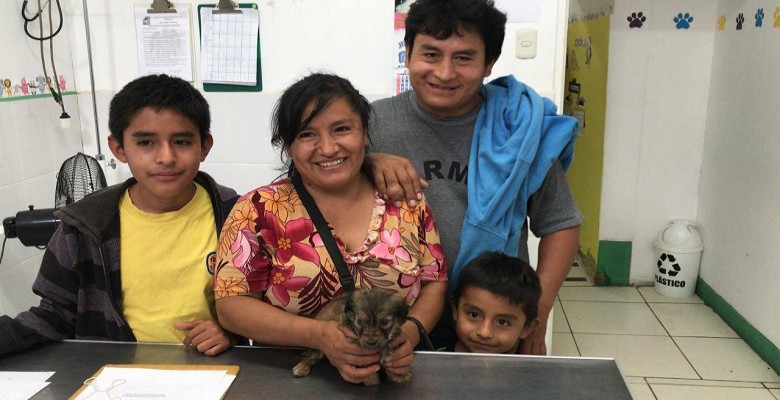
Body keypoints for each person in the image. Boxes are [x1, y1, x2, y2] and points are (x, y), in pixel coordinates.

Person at [369, 0, 582, 355]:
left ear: (489, 63)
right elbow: (314, 183)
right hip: (391, 324)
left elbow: (561, 224)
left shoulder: (520, 131)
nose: (445, 72)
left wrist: (536, 314)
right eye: (431, 54)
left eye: (464, 58)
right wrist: (369, 160)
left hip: (491, 328)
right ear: (407, 54)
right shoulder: (371, 124)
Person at [214, 73, 447, 384]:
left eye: (342, 129)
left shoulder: (405, 202)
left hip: (389, 380)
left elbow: (435, 281)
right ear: (288, 145)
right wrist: (319, 335)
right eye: (307, 134)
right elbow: (231, 305)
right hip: (288, 381)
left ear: (365, 133)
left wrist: (406, 336)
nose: (327, 148)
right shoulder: (257, 209)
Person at [0, 74, 239, 357]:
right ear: (119, 148)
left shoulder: (235, 215)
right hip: (114, 379)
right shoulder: (85, 224)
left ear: (205, 146)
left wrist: (232, 329)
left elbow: (265, 300)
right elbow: (55, 314)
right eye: (146, 143)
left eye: (182, 142)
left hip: (215, 374)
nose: (166, 157)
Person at [450, 252, 540, 354]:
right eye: (474, 315)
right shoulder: (432, 363)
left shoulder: (531, 370)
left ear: (527, 327)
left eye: (502, 322)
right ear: (455, 309)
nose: (484, 332)